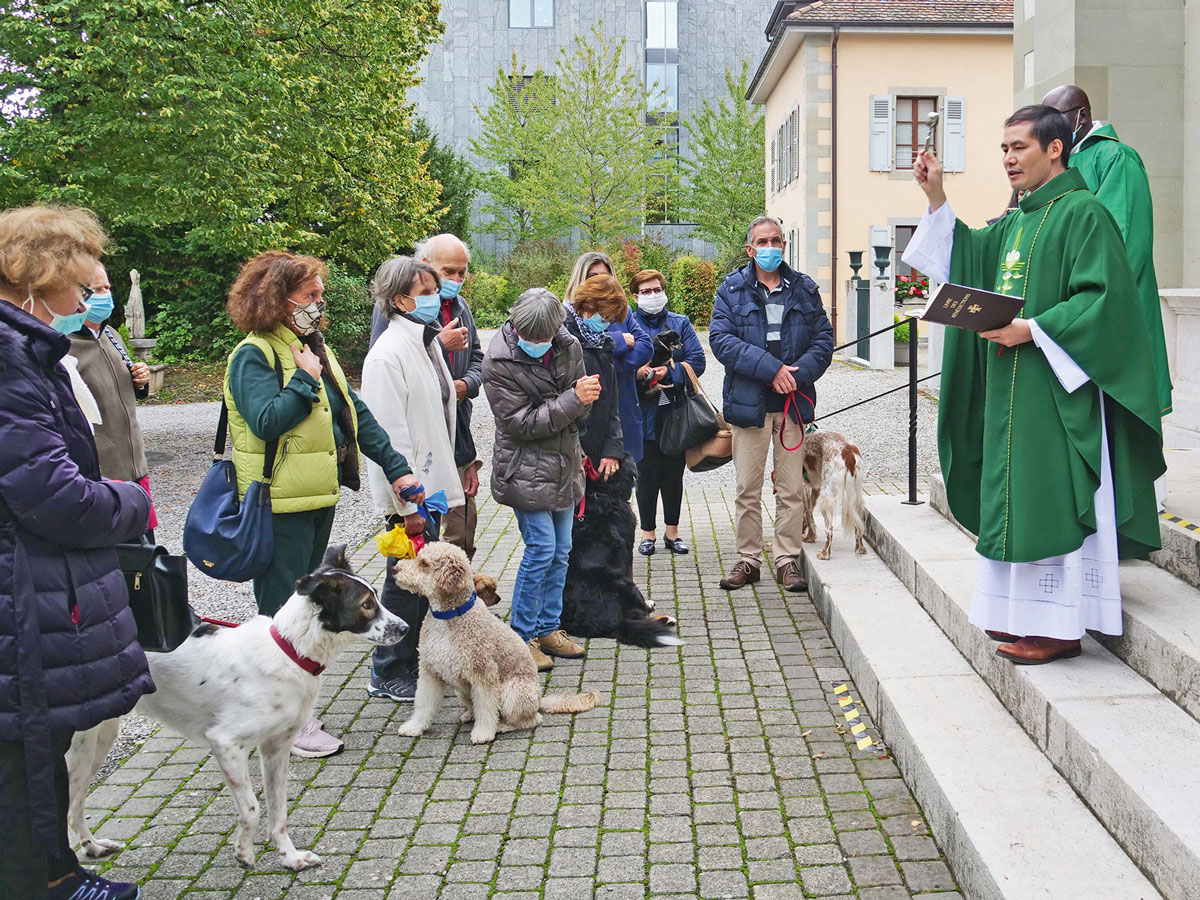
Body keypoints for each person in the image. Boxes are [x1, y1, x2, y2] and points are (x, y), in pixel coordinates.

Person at [902, 105, 1165, 664]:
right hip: (1011, 388)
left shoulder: (1085, 214)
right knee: (1014, 496)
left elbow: (1103, 302)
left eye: (1018, 147)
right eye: (1002, 149)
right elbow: (969, 256)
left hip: (1057, 392)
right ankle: (1019, 615)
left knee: (1050, 494)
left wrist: (1033, 329)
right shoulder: (1019, 219)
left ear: (1054, 149)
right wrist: (936, 197)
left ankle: (1063, 625)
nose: (1008, 159)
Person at [0, 205, 153, 900]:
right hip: (24, 592)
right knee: (26, 757)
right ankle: (49, 883)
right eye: (80, 282)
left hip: (30, 585)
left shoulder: (28, 351)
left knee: (38, 749)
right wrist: (128, 501)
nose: (89, 296)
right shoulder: (11, 361)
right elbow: (52, 494)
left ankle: (58, 869)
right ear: (40, 281)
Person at [224, 250, 421, 755]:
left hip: (317, 497)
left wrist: (396, 467)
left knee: (307, 617)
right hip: (278, 504)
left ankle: (297, 712)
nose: (319, 303)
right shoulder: (255, 354)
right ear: (276, 299)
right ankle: (287, 723)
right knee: (280, 616)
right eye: (309, 295)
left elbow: (354, 412)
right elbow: (267, 420)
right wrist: (304, 378)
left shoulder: (312, 346)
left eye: (319, 294)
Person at [710, 216, 834, 593]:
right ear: (750, 249)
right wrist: (771, 369)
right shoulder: (730, 289)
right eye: (763, 242)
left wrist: (796, 375)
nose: (771, 247)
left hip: (793, 405)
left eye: (776, 240)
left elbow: (824, 339)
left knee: (791, 489)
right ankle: (748, 560)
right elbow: (721, 341)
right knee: (748, 488)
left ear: (784, 245)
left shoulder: (804, 289)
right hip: (750, 406)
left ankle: (787, 559)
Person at [361, 256, 465, 702]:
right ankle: (386, 669)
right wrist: (407, 507)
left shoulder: (426, 342)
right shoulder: (387, 354)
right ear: (399, 300)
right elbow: (389, 435)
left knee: (419, 580)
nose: (434, 299)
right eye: (424, 292)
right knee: (403, 582)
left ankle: (410, 660)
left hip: (430, 486)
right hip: (411, 492)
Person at [482, 288, 598, 671]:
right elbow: (522, 424)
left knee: (562, 549)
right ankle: (521, 636)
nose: (535, 345)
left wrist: (585, 399)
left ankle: (549, 628)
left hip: (564, 464)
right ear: (515, 324)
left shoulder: (569, 345)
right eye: (528, 338)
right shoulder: (497, 361)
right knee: (542, 549)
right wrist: (574, 400)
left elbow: (580, 411)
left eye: (542, 339)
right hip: (524, 469)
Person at [1042, 85, 1173, 421]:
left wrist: (1084, 298)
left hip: (1110, 306)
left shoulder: (1115, 157)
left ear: (1081, 116)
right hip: (1071, 307)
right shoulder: (1061, 161)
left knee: (1117, 432)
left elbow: (1123, 242)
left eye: (1055, 119)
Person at [370, 235, 484, 558]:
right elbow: (391, 424)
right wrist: (406, 500)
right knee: (411, 569)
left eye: (462, 274)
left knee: (453, 540)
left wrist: (466, 385)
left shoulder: (454, 314)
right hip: (414, 477)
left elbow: (476, 361)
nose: (455, 282)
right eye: (449, 272)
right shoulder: (393, 339)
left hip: (447, 450)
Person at [68, 260, 158, 540]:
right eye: (97, 289)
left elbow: (122, 387)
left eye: (107, 286)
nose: (106, 294)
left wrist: (139, 381)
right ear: (78, 294)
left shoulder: (111, 334)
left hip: (135, 469)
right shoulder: (64, 342)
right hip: (100, 476)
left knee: (146, 563)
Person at [629, 268, 706, 556]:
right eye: (646, 292)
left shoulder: (680, 323)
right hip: (640, 411)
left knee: (673, 474)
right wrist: (640, 373)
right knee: (645, 475)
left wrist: (669, 371)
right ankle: (647, 534)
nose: (653, 295)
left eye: (657, 289)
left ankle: (672, 533)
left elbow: (697, 361)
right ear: (635, 296)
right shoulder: (629, 324)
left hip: (673, 410)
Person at [565, 252, 652, 462]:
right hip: (589, 416)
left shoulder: (622, 310)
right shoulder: (569, 316)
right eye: (592, 276)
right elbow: (578, 357)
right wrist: (620, 341)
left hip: (623, 407)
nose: (600, 281)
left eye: (605, 275)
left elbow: (645, 347)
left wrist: (611, 363)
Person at [562, 274, 628, 484]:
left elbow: (612, 406)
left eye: (610, 320)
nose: (606, 324)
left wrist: (612, 449)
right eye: (604, 317)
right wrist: (577, 452)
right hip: (568, 455)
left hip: (597, 456)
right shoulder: (561, 339)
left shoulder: (603, 344)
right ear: (587, 306)